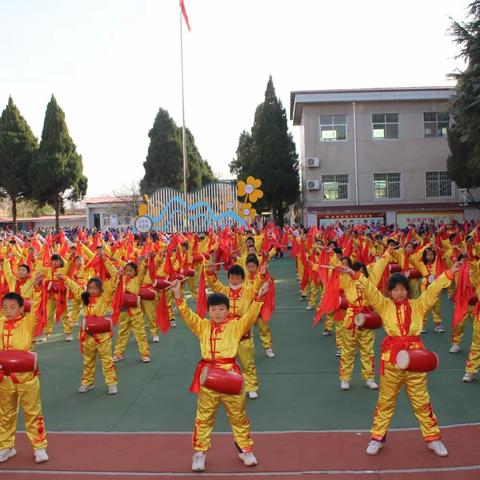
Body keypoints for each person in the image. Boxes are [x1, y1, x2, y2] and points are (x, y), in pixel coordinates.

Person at [338, 260, 463, 457]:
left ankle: (433, 438)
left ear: (407, 290)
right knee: (386, 401)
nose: (400, 292)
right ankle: (376, 438)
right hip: (392, 361)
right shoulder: (384, 305)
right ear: (389, 292)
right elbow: (370, 290)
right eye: (395, 289)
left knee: (422, 401)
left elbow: (432, 291)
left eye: (403, 288)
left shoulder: (418, 305)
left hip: (415, 359)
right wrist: (355, 275)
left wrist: (449, 273)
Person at [171, 277, 269, 472]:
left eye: (221, 309)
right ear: (208, 311)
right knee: (204, 417)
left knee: (238, 416)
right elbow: (188, 316)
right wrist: (178, 295)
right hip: (208, 379)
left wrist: (259, 297)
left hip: (231, 378)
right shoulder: (203, 326)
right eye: (213, 309)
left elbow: (250, 316)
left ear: (227, 310)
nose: (217, 312)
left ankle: (245, 449)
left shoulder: (235, 326)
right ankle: (199, 453)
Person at [0, 273, 49, 464]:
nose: (8, 311)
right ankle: (5, 446)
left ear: (22, 308)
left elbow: (36, 306)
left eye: (13, 307)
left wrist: (35, 286)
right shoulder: (1, 323)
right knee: (5, 413)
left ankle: (39, 447)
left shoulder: (28, 322)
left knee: (33, 412)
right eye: (5, 307)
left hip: (27, 378)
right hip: (4, 377)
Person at [62, 273, 119, 394]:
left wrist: (115, 272)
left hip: (103, 336)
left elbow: (113, 283)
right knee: (88, 361)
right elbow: (76, 288)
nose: (92, 290)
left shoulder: (104, 297)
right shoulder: (85, 298)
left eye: (95, 288)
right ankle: (87, 383)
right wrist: (65, 278)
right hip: (88, 336)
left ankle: (112, 383)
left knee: (106, 360)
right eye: (90, 288)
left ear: (100, 289)